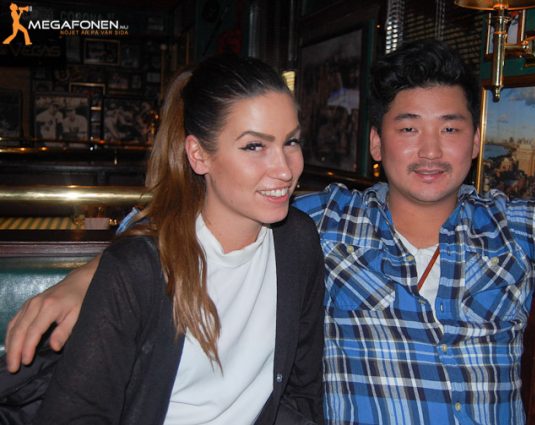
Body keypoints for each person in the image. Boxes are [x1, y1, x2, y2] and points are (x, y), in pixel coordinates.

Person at [6, 39, 535, 424]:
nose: (430, 150)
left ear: (475, 142)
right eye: (408, 128)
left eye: (450, 128)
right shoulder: (328, 222)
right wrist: (91, 273)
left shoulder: (515, 227)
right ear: (376, 145)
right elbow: (197, 208)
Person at [4, 54, 325, 424]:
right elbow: (74, 414)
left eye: (291, 142)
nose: (284, 169)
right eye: (255, 146)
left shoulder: (297, 243)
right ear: (199, 155)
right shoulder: (138, 268)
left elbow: (301, 393)